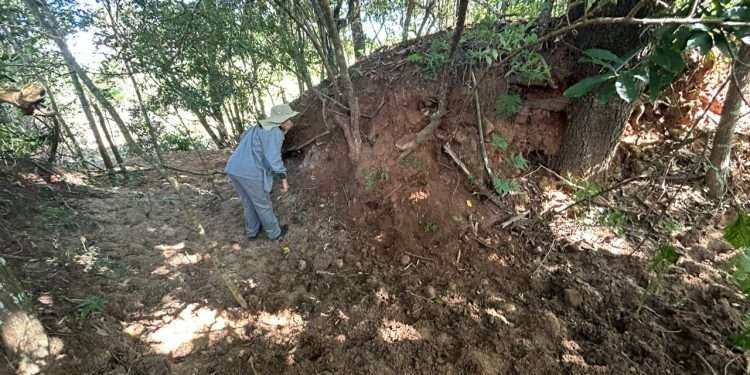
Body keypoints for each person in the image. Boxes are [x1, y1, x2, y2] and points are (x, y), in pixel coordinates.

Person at [225, 103, 298, 241]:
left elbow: (243, 138)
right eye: (288, 119)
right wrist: (283, 178)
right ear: (281, 121)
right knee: (262, 203)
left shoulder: (258, 127)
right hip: (249, 172)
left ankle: (252, 231)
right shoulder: (275, 132)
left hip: (234, 167)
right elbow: (274, 159)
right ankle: (275, 233)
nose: (291, 122)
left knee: (248, 202)